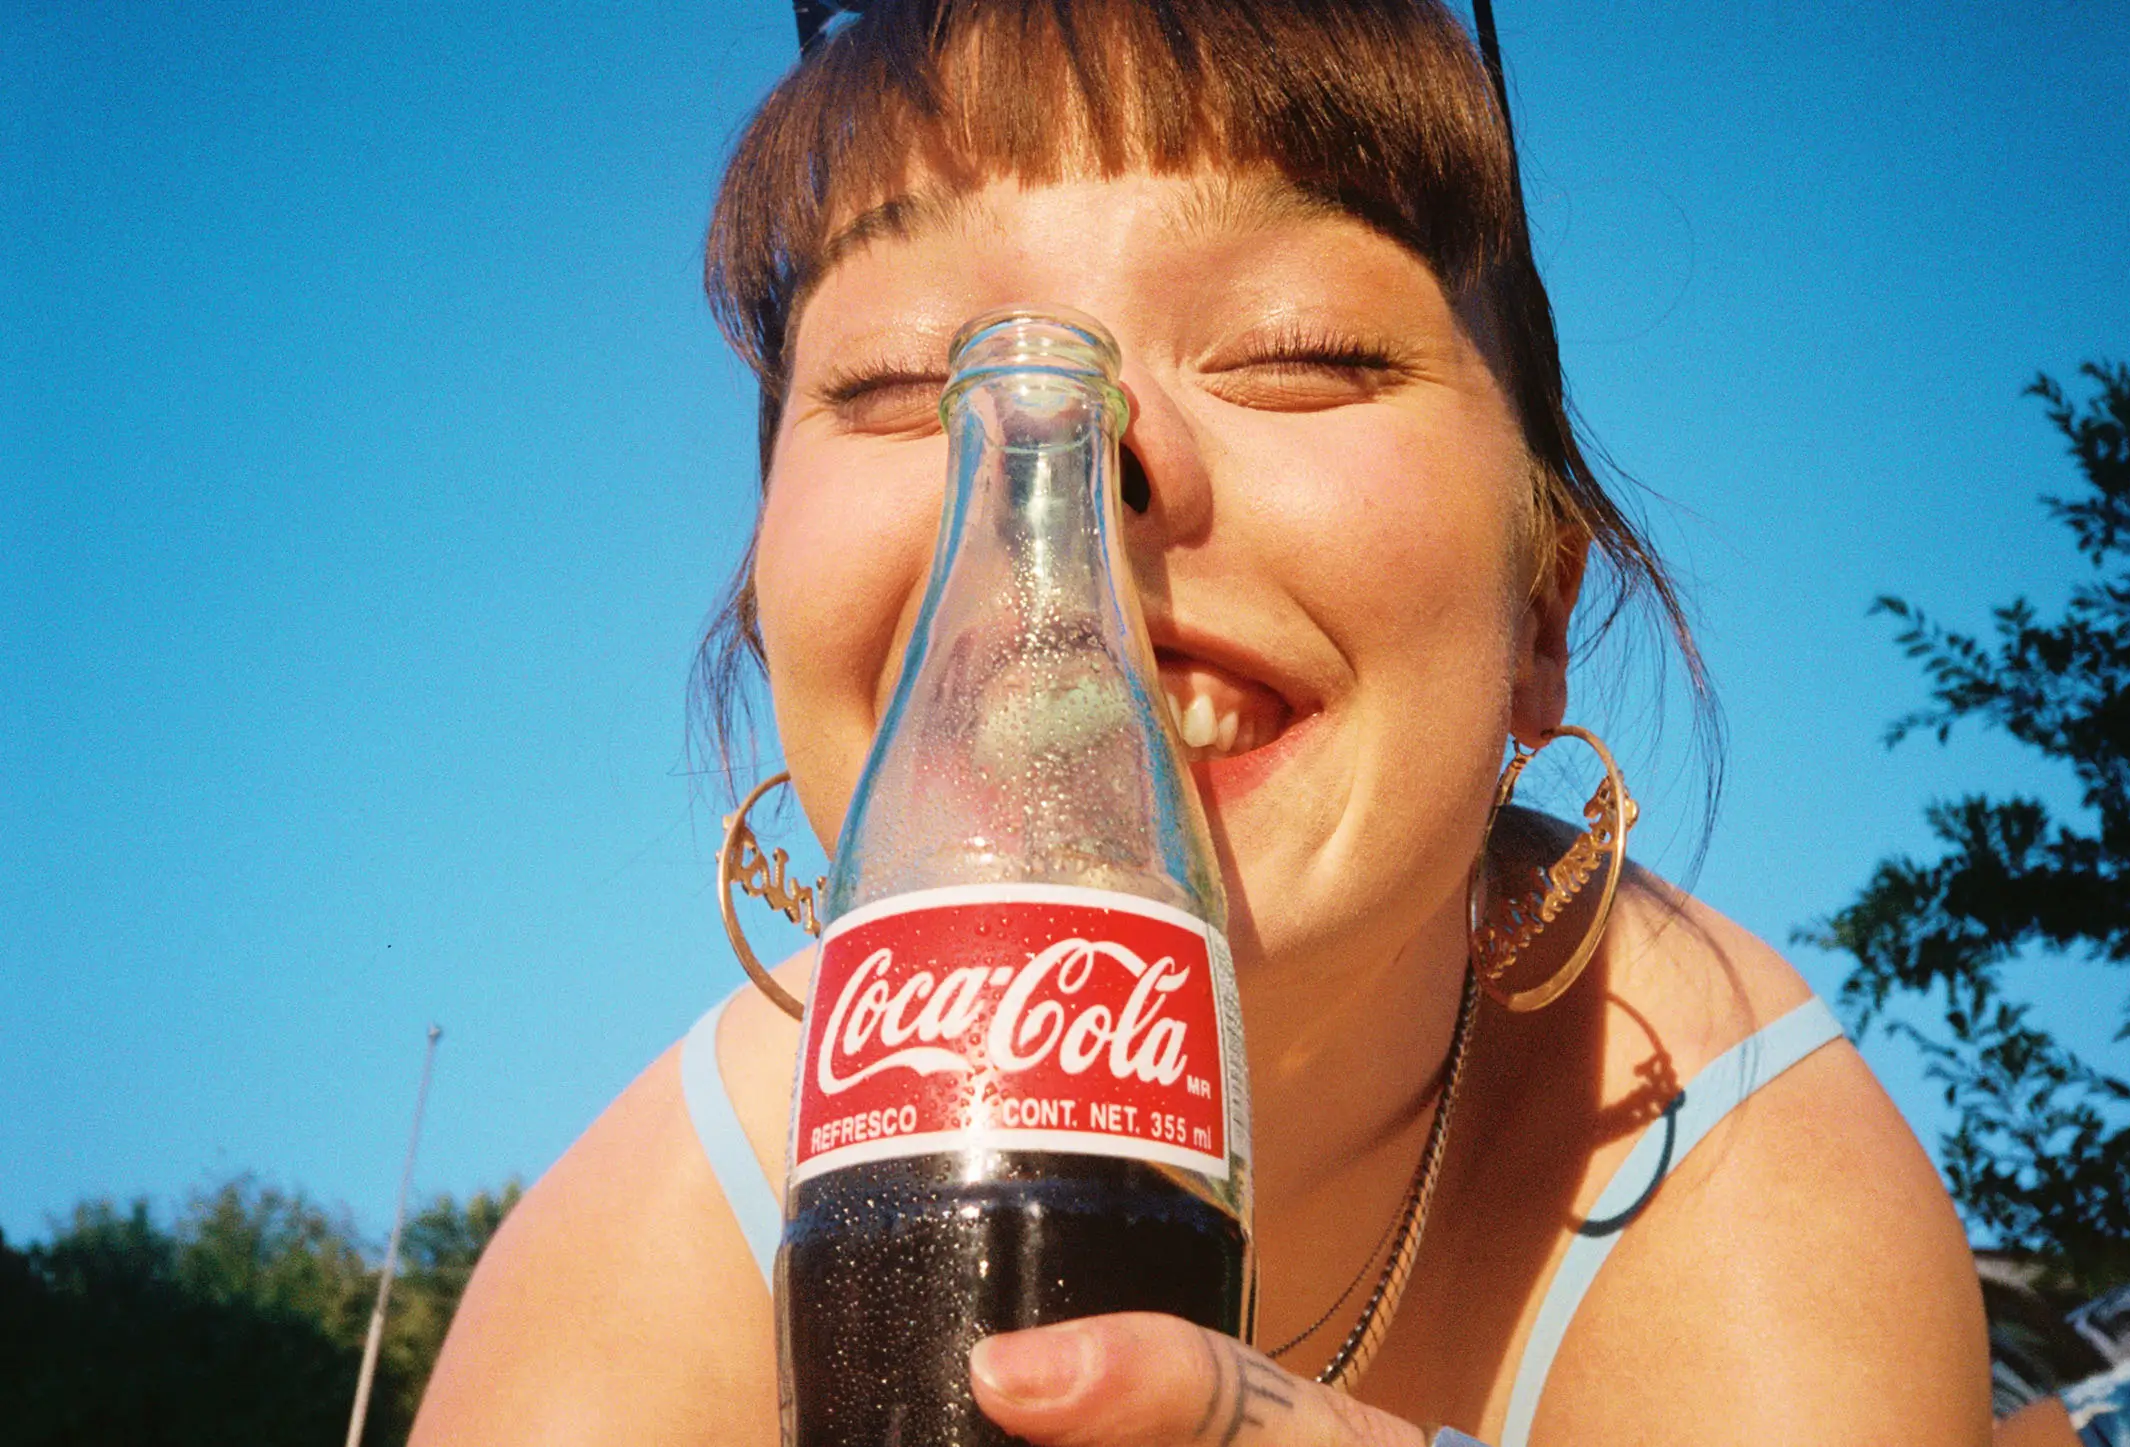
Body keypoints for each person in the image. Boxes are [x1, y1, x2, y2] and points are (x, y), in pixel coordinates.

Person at [410, 1, 1994, 1442]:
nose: (1067, 442)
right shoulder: (655, 1252)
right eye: (902, 379)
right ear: (769, 607)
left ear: (1539, 616)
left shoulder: (1738, 1181)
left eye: (1297, 350)